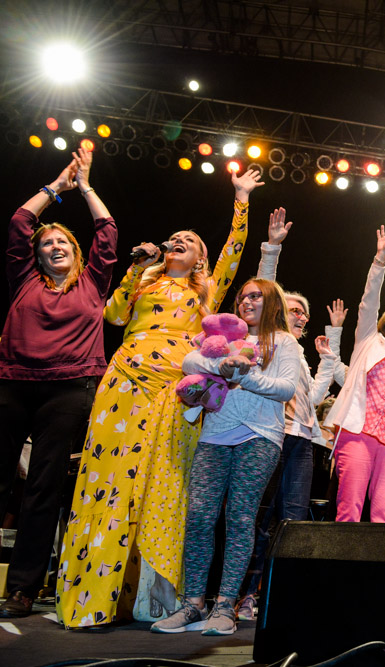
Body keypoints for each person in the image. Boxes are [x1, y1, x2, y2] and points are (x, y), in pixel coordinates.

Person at [56, 167, 262, 628]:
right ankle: (94, 595)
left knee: (168, 484)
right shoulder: (144, 279)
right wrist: (134, 268)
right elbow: (111, 315)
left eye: (188, 240)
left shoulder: (206, 291)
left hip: (175, 390)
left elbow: (233, 250)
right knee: (110, 480)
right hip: (126, 379)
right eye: (173, 238)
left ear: (201, 257)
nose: (177, 241)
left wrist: (241, 200)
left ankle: (158, 597)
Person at [0, 150, 117, 618]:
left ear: (74, 249)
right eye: (45, 242)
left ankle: (23, 589)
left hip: (68, 388)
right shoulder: (24, 279)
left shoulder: (93, 282)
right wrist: (56, 186)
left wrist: (85, 186)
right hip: (12, 382)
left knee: (43, 488)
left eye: (61, 242)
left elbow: (107, 232)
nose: (52, 246)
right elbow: (18, 221)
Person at [151, 278, 298, 635]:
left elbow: (287, 388)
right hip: (214, 436)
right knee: (200, 516)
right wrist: (223, 366)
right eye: (242, 296)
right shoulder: (226, 338)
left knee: (240, 518)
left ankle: (225, 606)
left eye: (255, 296)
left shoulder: (284, 341)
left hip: (259, 436)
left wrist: (244, 377)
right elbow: (189, 360)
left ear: (272, 302)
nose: (246, 301)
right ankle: (193, 605)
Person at [236, 208, 340, 620]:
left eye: (302, 312)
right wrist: (272, 248)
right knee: (259, 517)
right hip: (268, 435)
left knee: (292, 519)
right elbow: (263, 289)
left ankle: (278, 595)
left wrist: (329, 358)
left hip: (302, 441)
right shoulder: (268, 340)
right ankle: (245, 594)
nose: (298, 315)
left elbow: (313, 398)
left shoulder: (298, 353)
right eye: (292, 309)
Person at [322, 224, 385, 523]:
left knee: (384, 515)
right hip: (358, 433)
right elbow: (369, 302)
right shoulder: (368, 342)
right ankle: (343, 569)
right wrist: (380, 260)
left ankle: (375, 571)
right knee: (349, 510)